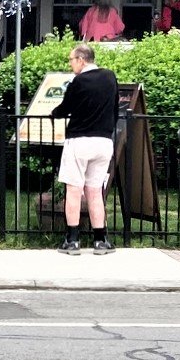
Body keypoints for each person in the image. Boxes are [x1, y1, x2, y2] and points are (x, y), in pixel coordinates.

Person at [50, 43, 119, 255]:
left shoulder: (78, 81)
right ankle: (101, 240)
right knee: (95, 190)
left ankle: (72, 240)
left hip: (79, 141)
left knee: (73, 189)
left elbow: (65, 108)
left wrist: (54, 113)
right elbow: (115, 108)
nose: (71, 64)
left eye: (71, 60)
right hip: (104, 141)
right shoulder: (110, 77)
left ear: (81, 59)